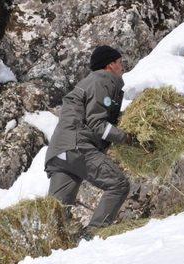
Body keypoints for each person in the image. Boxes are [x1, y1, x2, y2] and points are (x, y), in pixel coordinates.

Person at [45, 45, 135, 238]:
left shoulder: (90, 83)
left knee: (56, 216)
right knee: (118, 184)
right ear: (110, 65)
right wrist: (128, 138)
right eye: (120, 63)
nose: (123, 68)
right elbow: (97, 123)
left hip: (59, 152)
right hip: (78, 147)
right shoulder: (102, 81)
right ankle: (93, 236)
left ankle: (47, 248)